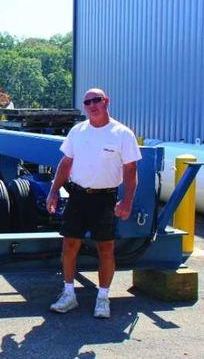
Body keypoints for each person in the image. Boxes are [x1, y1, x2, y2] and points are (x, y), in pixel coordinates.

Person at [46, 88, 141, 318]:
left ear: (106, 101)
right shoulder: (77, 132)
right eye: (87, 102)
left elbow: (130, 171)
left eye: (96, 100)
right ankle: (69, 294)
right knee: (69, 245)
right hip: (78, 196)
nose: (92, 105)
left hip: (105, 198)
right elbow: (66, 163)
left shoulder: (122, 134)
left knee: (106, 249)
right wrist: (53, 190)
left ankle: (103, 298)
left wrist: (127, 201)